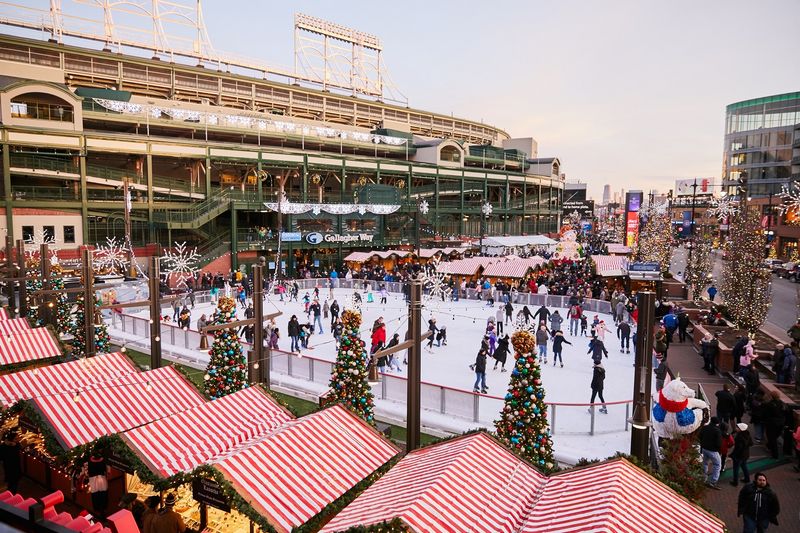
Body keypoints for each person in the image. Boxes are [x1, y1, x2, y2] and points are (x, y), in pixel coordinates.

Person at [699, 416, 723, 489]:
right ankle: (713, 481)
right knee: (717, 465)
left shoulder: (705, 427)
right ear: (717, 423)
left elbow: (700, 436)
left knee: (705, 463)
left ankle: (703, 478)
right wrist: (718, 450)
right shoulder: (717, 431)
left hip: (704, 449)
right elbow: (719, 443)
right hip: (713, 451)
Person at [86, 452, 110, 518]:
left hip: (93, 481)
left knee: (96, 496)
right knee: (103, 495)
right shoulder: (104, 460)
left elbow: (87, 472)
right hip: (102, 480)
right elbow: (108, 471)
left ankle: (98, 510)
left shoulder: (88, 461)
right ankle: (103, 510)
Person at [730, 422, 753, 487]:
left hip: (739, 456)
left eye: (737, 427)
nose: (736, 428)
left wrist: (733, 455)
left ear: (741, 429)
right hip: (745, 455)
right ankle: (747, 479)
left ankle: (735, 482)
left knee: (736, 469)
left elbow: (738, 448)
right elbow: (751, 443)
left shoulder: (739, 437)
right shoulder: (747, 434)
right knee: (744, 466)